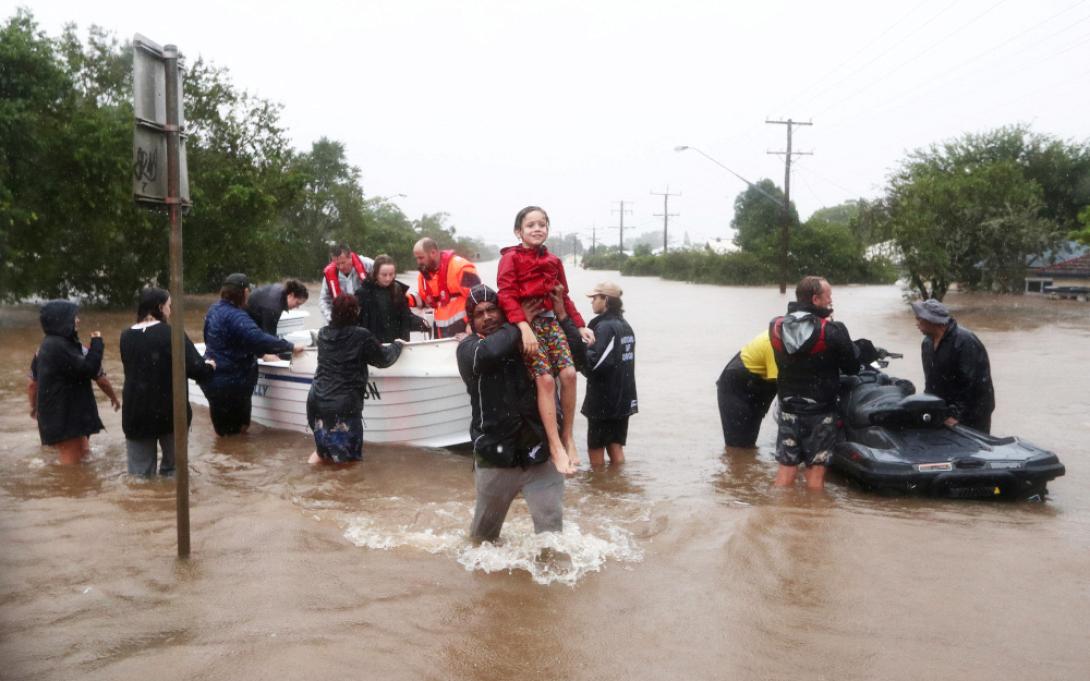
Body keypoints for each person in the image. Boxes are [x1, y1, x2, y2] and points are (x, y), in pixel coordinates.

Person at [456, 284, 585, 543]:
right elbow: (490, 352)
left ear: (503, 310)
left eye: (492, 309)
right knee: (482, 540)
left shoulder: (528, 340)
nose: (487, 317)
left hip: (539, 454)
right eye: (479, 313)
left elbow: (580, 360)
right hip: (495, 456)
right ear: (471, 321)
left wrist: (562, 316)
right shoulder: (469, 349)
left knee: (552, 539)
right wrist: (518, 323)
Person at [496, 206, 594, 474]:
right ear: (519, 232)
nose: (537, 229)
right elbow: (505, 295)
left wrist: (580, 325)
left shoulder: (553, 261)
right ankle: (555, 445)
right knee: (546, 379)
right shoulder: (510, 259)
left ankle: (568, 436)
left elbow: (564, 296)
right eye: (530, 225)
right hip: (526, 324)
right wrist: (522, 327)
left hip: (551, 323)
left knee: (570, 374)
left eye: (542, 224)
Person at [769, 276, 877, 489]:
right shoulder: (833, 330)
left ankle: (777, 515)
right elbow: (852, 367)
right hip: (820, 411)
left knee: (786, 468)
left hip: (788, 407)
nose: (831, 300)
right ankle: (815, 519)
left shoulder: (776, 326)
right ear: (816, 299)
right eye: (828, 296)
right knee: (815, 473)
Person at [119, 287, 216, 476]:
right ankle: (168, 503)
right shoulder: (172, 334)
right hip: (170, 413)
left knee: (139, 476)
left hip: (136, 412)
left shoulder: (126, 336)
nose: (170, 311)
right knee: (174, 472)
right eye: (169, 306)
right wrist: (210, 366)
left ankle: (144, 504)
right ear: (160, 307)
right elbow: (196, 369)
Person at [199, 273, 305, 436]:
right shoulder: (237, 317)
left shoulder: (213, 310)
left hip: (214, 381)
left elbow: (207, 337)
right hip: (233, 384)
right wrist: (290, 347)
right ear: (245, 292)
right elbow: (260, 339)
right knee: (240, 432)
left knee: (224, 437)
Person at [307, 294, 402, 464]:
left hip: (317, 402)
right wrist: (397, 345)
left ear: (334, 312)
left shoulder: (323, 334)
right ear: (355, 312)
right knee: (349, 464)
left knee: (322, 454)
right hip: (342, 407)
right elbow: (383, 359)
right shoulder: (361, 336)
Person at [29, 301, 105, 464]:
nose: (77, 320)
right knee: (70, 463)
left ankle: (77, 487)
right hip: (62, 416)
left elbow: (33, 383)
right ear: (61, 320)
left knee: (84, 454)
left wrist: (34, 407)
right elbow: (90, 369)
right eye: (73, 317)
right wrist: (97, 343)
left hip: (66, 414)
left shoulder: (56, 343)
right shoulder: (57, 345)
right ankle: (67, 489)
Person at [912, 298, 995, 433]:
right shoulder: (927, 343)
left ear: (932, 321)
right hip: (945, 410)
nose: (916, 324)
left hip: (973, 414)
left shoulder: (965, 342)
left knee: (972, 452)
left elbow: (973, 386)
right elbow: (931, 381)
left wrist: (958, 416)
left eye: (919, 320)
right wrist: (929, 405)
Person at [580, 281, 637, 467]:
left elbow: (594, 365)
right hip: (624, 397)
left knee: (595, 446)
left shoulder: (604, 327)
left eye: (594, 298)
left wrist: (578, 353)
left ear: (605, 299)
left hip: (604, 399)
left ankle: (598, 488)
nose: (591, 302)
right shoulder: (625, 325)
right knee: (615, 445)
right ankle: (616, 485)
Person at [716, 330, 778, 449]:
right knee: (738, 448)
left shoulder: (787, 337)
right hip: (735, 388)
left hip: (756, 388)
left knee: (749, 446)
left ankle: (747, 465)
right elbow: (783, 386)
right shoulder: (773, 344)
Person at [408, 237, 481, 338]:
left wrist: (472, 323)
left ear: (433, 253)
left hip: (466, 330)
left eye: (421, 258)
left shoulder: (461, 267)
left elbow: (479, 298)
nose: (418, 262)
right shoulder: (423, 277)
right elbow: (427, 299)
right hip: (441, 333)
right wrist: (407, 299)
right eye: (416, 258)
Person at [356, 254, 423, 343]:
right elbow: (356, 323)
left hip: (397, 344)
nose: (388, 278)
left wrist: (422, 323)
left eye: (391, 274)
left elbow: (405, 316)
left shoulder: (397, 290)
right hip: (373, 347)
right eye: (384, 275)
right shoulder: (362, 293)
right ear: (376, 273)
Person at [320, 244, 374, 323]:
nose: (341, 267)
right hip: (342, 318)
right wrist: (330, 318)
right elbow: (323, 300)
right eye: (337, 264)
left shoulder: (368, 264)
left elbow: (385, 275)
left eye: (343, 262)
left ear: (350, 257)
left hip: (366, 314)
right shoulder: (329, 274)